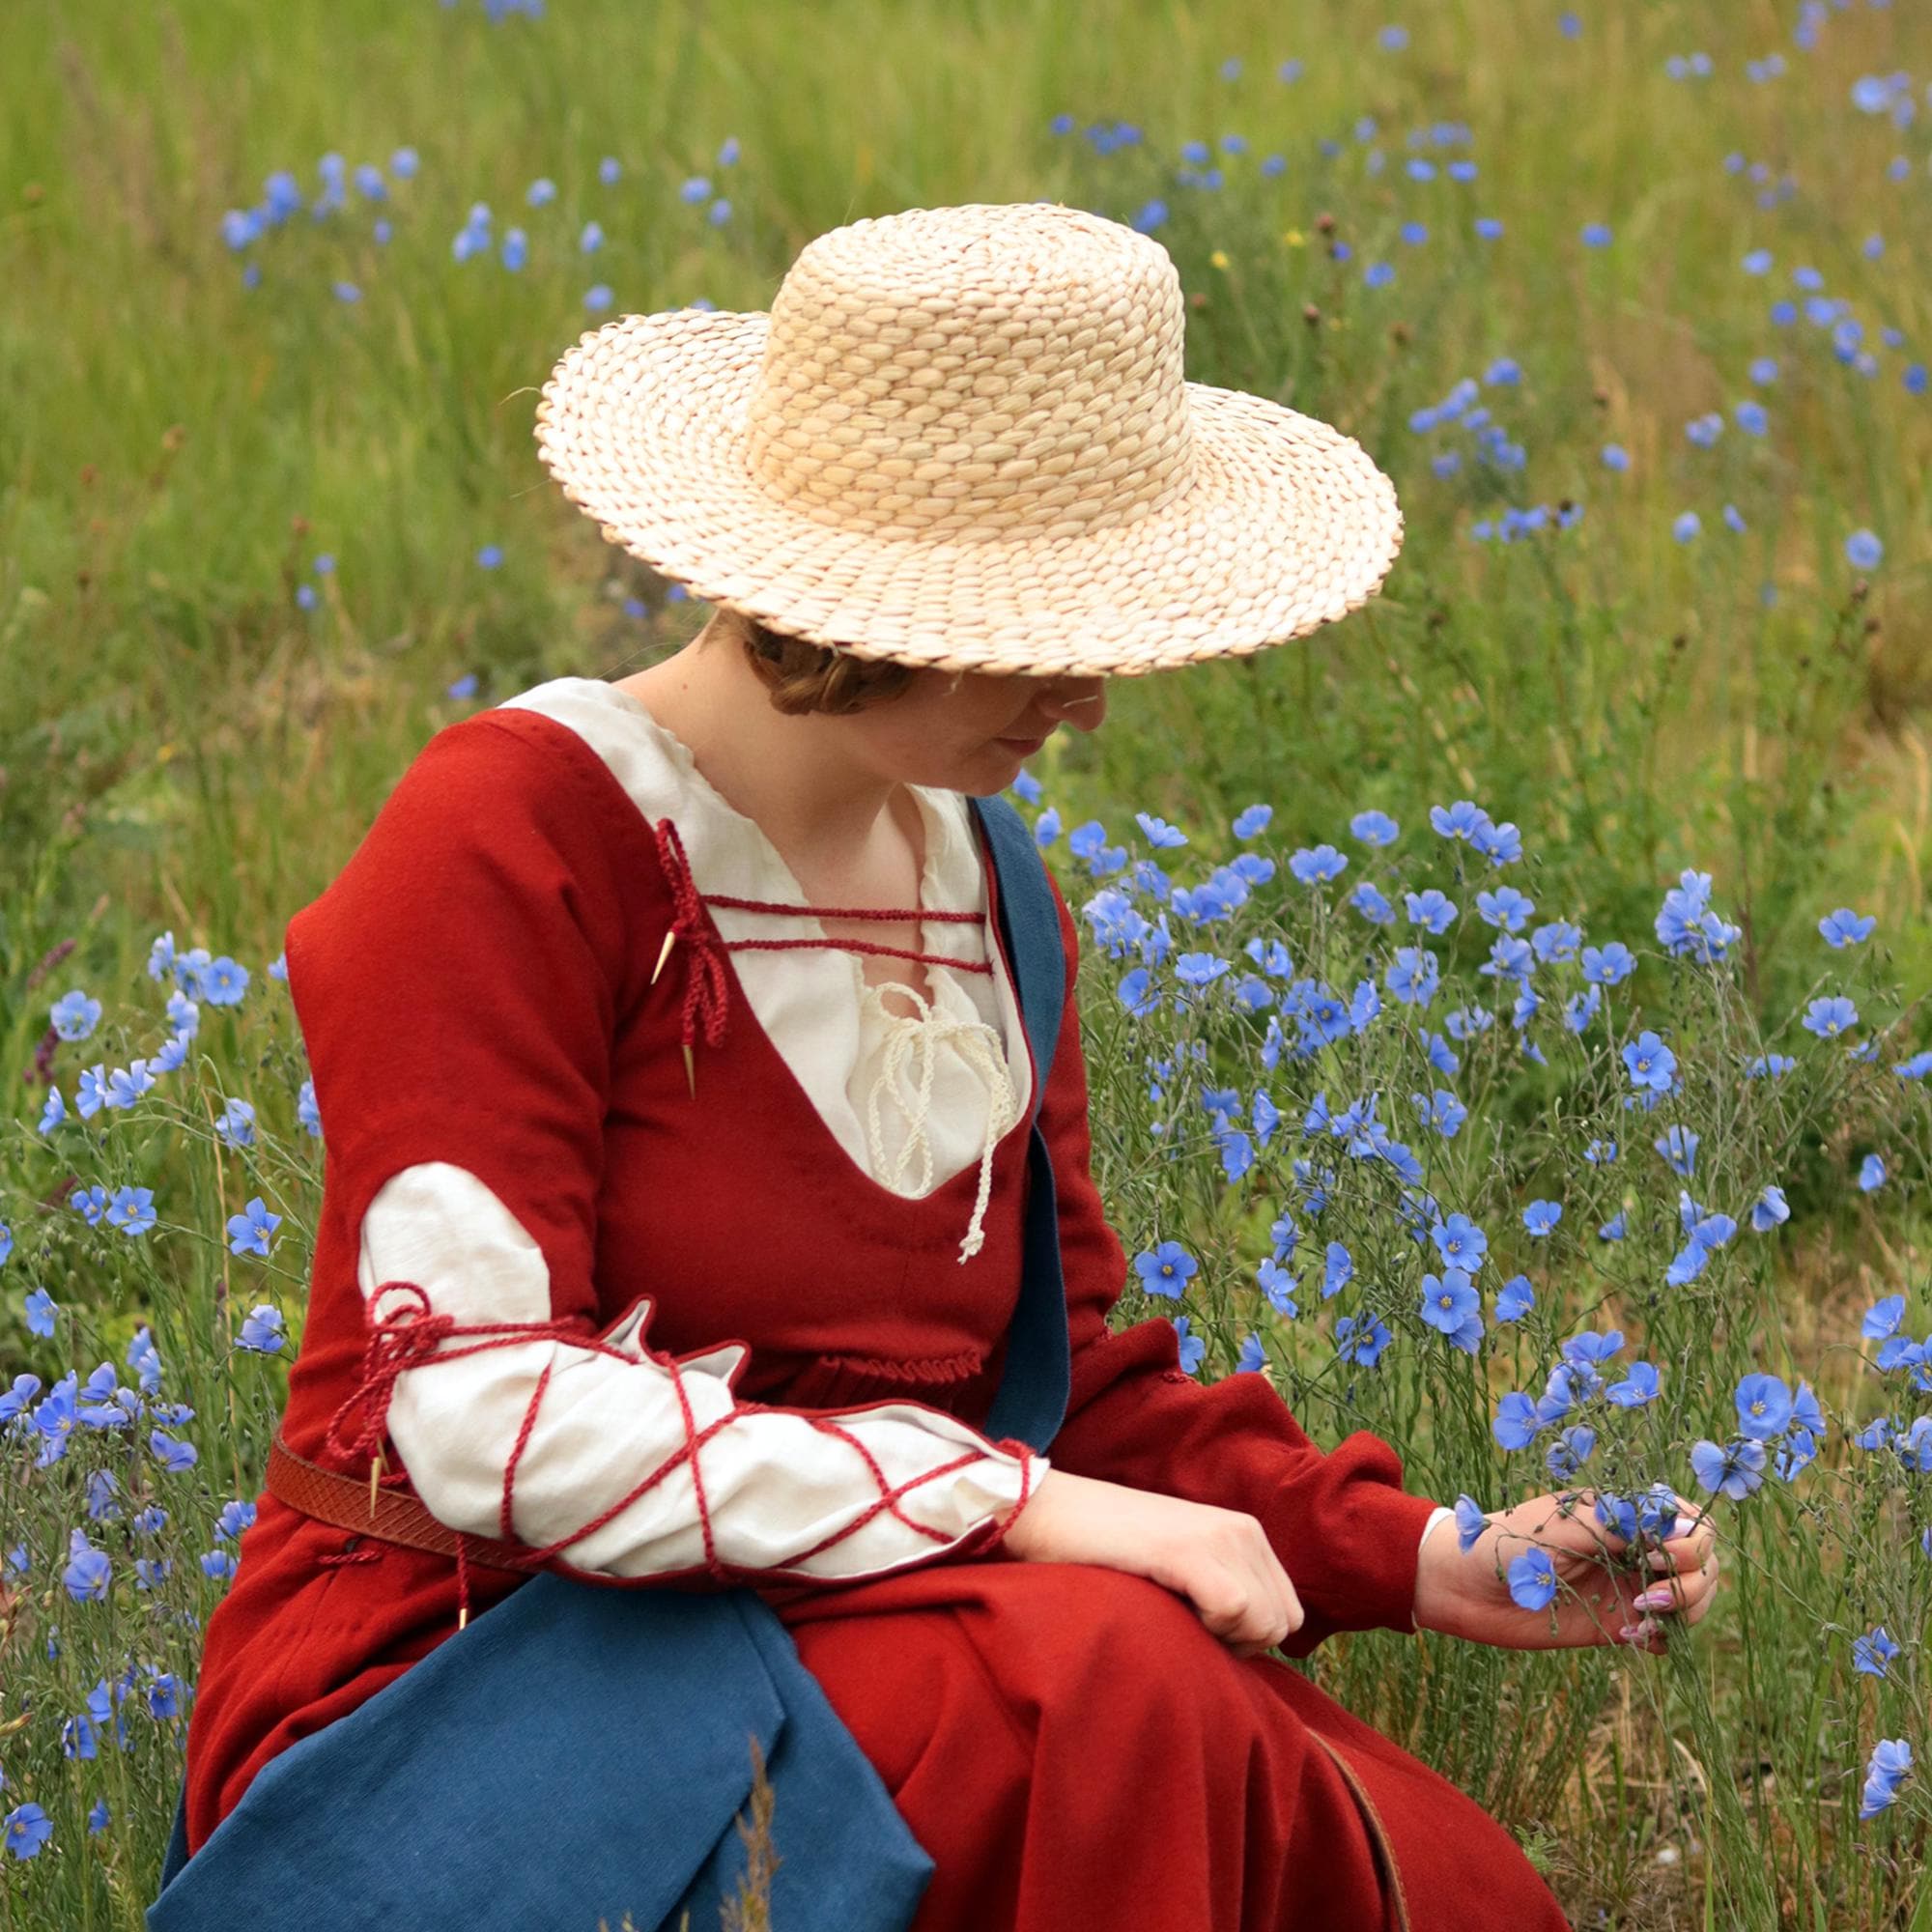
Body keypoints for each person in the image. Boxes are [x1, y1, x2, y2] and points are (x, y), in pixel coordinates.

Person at [167, 202, 1719, 1932]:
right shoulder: (513, 838)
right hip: (479, 1667)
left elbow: (1076, 1405)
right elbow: (485, 1421)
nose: (1093, 696)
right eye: (1044, 625)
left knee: (1426, 1869)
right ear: (857, 594)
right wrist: (1023, 1511)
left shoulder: (998, 898)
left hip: (906, 1617)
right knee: (1113, 1693)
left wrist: (1431, 1557)